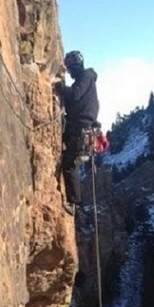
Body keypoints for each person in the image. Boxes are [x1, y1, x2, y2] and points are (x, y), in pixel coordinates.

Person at [54, 50, 99, 214]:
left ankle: (73, 202)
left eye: (70, 69)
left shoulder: (85, 78)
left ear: (75, 66)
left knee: (69, 164)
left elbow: (74, 95)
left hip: (81, 129)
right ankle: (74, 201)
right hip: (82, 128)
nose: (69, 73)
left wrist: (59, 87)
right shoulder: (87, 80)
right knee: (67, 158)